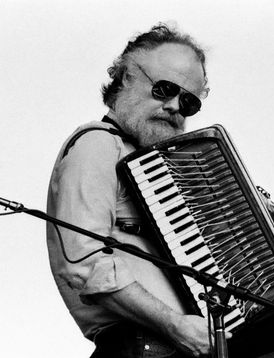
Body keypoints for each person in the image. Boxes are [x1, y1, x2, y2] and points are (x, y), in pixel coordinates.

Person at [47, 24, 230, 358]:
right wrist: (175, 325)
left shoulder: (160, 168)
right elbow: (84, 262)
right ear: (127, 78)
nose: (176, 106)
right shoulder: (98, 143)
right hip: (140, 347)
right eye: (164, 89)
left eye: (189, 102)